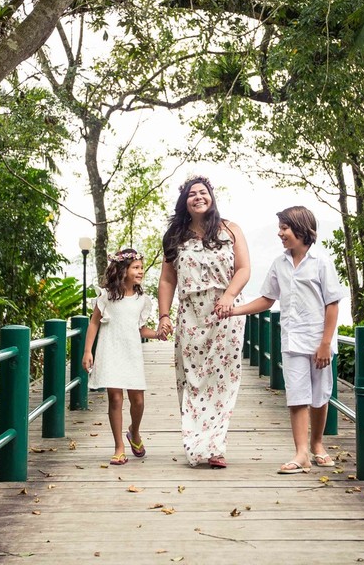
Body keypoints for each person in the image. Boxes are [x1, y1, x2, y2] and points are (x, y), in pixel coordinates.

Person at [221, 206, 345, 474]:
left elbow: (332, 304)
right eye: (280, 228)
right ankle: (301, 454)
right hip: (291, 340)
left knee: (320, 396)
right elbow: (267, 299)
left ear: (301, 229)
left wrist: (325, 342)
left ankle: (317, 444)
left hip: (318, 340)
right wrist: (234, 310)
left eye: (284, 228)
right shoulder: (280, 264)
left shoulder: (321, 262)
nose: (280, 233)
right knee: (297, 396)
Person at [156, 176, 251, 468]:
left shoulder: (230, 230)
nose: (199, 197)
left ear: (212, 196)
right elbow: (167, 279)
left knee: (222, 381)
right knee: (193, 380)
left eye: (203, 192)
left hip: (225, 313)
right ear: (184, 201)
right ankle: (196, 441)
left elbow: (244, 268)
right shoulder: (175, 235)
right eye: (192, 194)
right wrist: (163, 315)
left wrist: (229, 297)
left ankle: (215, 446)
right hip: (190, 314)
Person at [82, 248, 162, 465]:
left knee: (138, 400)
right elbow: (94, 322)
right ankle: (119, 446)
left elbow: (141, 329)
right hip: (110, 351)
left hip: (132, 353)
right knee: (115, 398)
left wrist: (157, 334)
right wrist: (88, 351)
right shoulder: (106, 296)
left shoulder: (141, 299)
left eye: (141, 268)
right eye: (136, 267)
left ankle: (134, 432)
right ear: (123, 270)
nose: (140, 272)